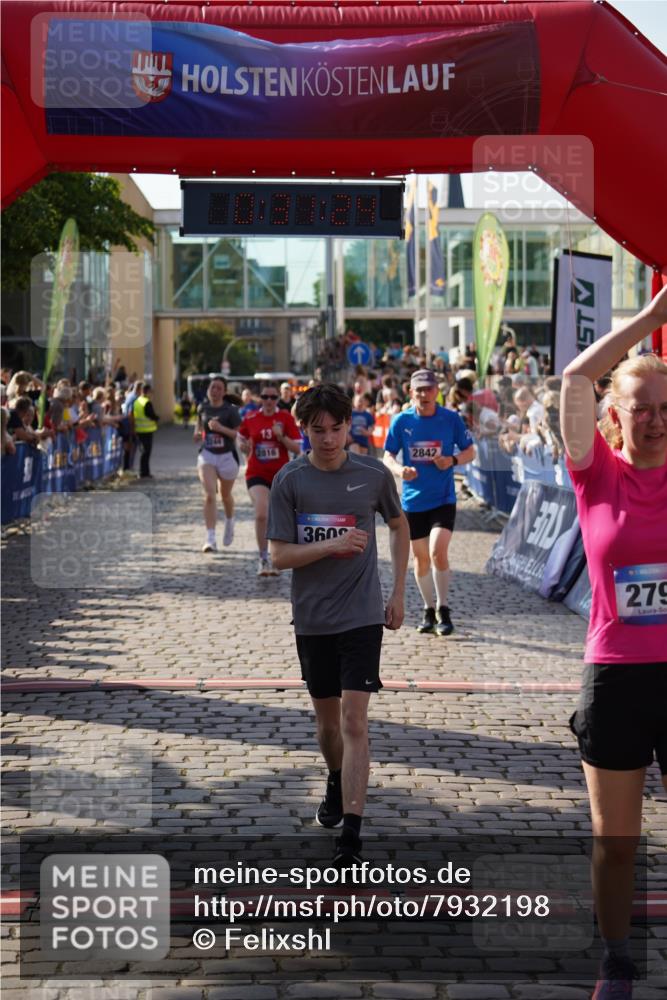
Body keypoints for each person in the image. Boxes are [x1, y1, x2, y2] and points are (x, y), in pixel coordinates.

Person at [560, 284, 667, 1000]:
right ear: (613, 417)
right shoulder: (594, 472)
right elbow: (574, 377)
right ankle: (618, 960)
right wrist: (651, 320)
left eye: (666, 409)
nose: (655, 421)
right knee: (616, 842)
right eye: (641, 409)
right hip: (616, 676)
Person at [267, 383, 409, 865]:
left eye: (336, 428)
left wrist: (398, 591)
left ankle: (352, 831)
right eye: (317, 430)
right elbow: (278, 556)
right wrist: (332, 544)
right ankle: (334, 777)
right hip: (312, 618)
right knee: (328, 725)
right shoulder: (289, 480)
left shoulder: (372, 474)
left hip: (362, 615)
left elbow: (399, 525)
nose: (328, 439)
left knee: (354, 720)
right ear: (303, 430)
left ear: (350, 426)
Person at [383, 368, 475, 637]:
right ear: (411, 392)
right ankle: (428, 608)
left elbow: (470, 451)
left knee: (437, 551)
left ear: (437, 391)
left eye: (429, 389)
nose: (424, 394)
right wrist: (400, 470)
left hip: (443, 498)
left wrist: (452, 460)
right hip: (413, 501)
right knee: (421, 559)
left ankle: (443, 608)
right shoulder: (401, 421)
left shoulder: (451, 418)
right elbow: (388, 456)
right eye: (419, 390)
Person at [237, 383, 301, 576]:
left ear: (277, 400)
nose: (269, 401)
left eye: (273, 397)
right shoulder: (251, 417)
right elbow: (240, 438)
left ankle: (276, 557)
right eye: (265, 397)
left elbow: (297, 448)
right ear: (260, 398)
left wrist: (281, 437)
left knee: (278, 518)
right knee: (261, 513)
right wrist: (243, 446)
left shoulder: (285, 418)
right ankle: (263, 558)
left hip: (280, 476)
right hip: (256, 473)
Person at [195, 376, 240, 553]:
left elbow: (238, 435)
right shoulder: (202, 407)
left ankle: (230, 520)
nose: (215, 391)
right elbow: (199, 426)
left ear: (224, 391)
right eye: (212, 387)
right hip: (207, 455)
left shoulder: (231, 410)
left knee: (225, 495)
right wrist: (197, 433)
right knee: (209, 495)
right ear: (208, 390)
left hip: (227, 456)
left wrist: (220, 428)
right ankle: (210, 538)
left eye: (219, 388)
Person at [132, 383, 159, 478]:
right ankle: (144, 472)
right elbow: (151, 415)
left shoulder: (137, 401)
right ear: (147, 391)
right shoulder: (146, 402)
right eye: (150, 392)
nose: (151, 394)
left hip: (139, 429)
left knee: (144, 452)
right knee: (146, 452)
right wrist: (157, 418)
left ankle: (144, 472)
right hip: (147, 430)